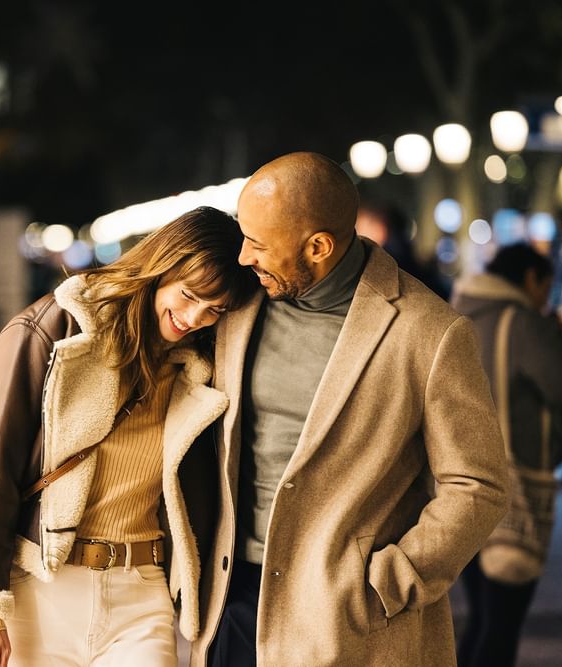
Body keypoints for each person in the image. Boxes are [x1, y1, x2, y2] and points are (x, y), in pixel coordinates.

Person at [189, 152, 510, 666]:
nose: (244, 256)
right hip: (232, 599)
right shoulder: (237, 302)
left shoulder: (429, 331)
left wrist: (393, 580)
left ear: (318, 246)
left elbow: (478, 483)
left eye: (259, 244)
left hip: (349, 618)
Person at [0, 206, 259, 667]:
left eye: (215, 310)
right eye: (189, 295)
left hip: (141, 593)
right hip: (40, 589)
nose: (194, 317)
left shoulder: (197, 367)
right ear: (160, 266)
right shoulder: (54, 330)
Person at [452, 243, 562, 667]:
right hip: (512, 486)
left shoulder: (458, 314)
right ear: (531, 279)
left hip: (459, 483)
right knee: (502, 622)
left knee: (482, 616)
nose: (546, 297)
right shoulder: (524, 323)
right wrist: (558, 338)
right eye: (546, 286)